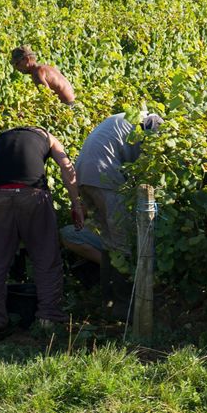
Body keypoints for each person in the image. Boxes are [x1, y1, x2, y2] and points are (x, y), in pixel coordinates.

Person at [0, 126, 84, 344]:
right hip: (33, 196)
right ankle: (47, 321)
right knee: (45, 257)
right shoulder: (48, 137)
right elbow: (67, 168)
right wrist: (76, 204)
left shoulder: (0, 141)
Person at [75, 111, 164, 319]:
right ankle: (123, 308)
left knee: (109, 242)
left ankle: (107, 302)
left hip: (84, 174)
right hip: (105, 175)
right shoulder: (148, 125)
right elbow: (146, 165)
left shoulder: (128, 118)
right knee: (121, 242)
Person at [10, 46, 75, 105]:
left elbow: (47, 98)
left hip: (66, 105)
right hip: (71, 103)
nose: (16, 67)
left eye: (17, 63)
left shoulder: (37, 73)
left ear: (27, 59)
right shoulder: (45, 67)